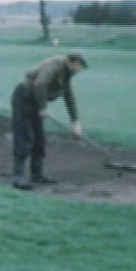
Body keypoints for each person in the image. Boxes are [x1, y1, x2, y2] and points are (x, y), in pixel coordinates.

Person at [10, 54, 87, 190]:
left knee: (39, 139)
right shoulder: (55, 65)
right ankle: (18, 176)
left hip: (36, 102)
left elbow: (68, 95)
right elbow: (40, 84)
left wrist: (75, 123)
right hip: (24, 98)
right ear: (73, 62)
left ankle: (37, 175)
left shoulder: (67, 73)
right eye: (79, 67)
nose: (79, 71)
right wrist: (43, 107)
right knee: (24, 137)